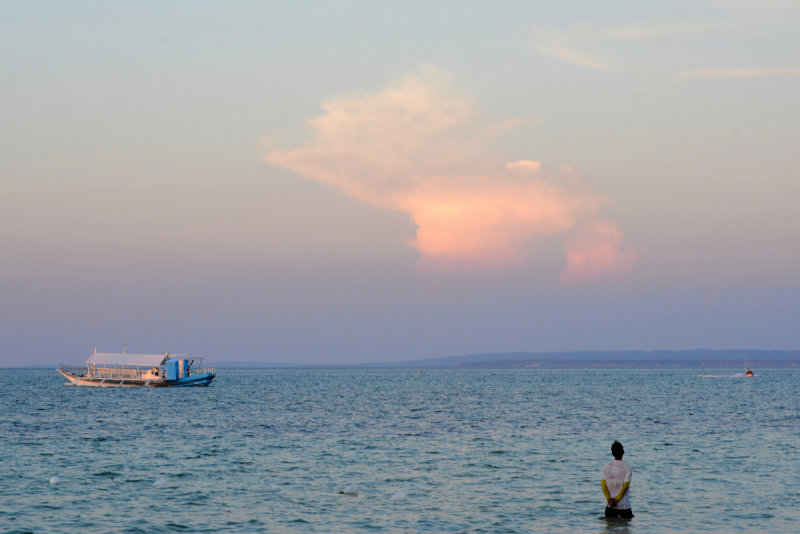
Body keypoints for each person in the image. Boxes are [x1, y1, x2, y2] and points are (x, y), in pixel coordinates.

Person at [601, 441, 633, 519]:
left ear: (612, 453)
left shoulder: (605, 467)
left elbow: (603, 486)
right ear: (623, 452)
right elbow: (625, 486)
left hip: (610, 507)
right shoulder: (627, 467)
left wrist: (609, 499)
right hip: (624, 506)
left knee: (610, 529)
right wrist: (617, 499)